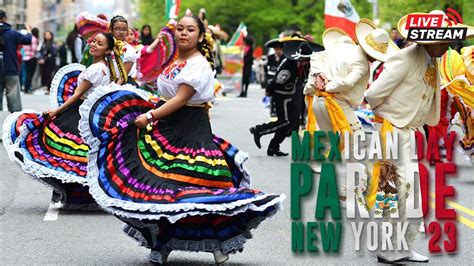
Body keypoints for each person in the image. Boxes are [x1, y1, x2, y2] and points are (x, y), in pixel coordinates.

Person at [79, 15, 284, 264]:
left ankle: (219, 244)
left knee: (199, 190)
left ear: (200, 36)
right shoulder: (176, 61)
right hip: (167, 129)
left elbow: (180, 99)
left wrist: (150, 115)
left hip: (191, 132)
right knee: (161, 190)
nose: (183, 33)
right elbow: (166, 95)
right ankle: (161, 244)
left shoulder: (198, 65)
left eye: (190, 30)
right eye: (179, 29)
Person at [363, 11, 465, 263]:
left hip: (411, 131)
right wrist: (388, 117)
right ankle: (388, 249)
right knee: (401, 192)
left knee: (411, 193)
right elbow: (374, 93)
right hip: (393, 131)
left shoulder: (434, 59)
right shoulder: (404, 59)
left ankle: (402, 247)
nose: (448, 46)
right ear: (430, 40)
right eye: (445, 41)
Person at [2, 32, 115, 209]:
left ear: (107, 50)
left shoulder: (95, 69)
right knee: (81, 157)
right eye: (93, 41)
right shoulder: (104, 68)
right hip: (90, 115)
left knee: (65, 153)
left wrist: (57, 110)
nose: (93, 45)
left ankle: (79, 196)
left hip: (80, 114)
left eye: (99, 44)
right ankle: (83, 196)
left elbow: (78, 95)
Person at [250, 38, 322, 156]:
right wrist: (268, 91)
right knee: (284, 122)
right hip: (281, 95)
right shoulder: (289, 66)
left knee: (291, 124)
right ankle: (259, 130)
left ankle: (273, 147)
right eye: (306, 60)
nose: (307, 62)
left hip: (290, 94)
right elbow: (277, 81)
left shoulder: (302, 64)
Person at [0, 9, 31, 112]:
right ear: (4, 19)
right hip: (11, 69)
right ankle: (14, 121)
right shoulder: (13, 33)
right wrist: (29, 30)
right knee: (14, 99)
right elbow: (28, 40)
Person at [109, 15, 137, 85]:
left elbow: (122, 77)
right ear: (111, 30)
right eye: (117, 29)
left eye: (124, 29)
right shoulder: (105, 47)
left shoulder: (130, 50)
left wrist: (113, 90)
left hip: (122, 85)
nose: (121, 32)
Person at [22, 27, 38, 94]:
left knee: (26, 74)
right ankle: (27, 89)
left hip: (25, 57)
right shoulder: (34, 38)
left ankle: (26, 88)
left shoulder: (25, 38)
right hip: (31, 58)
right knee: (30, 74)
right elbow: (34, 49)